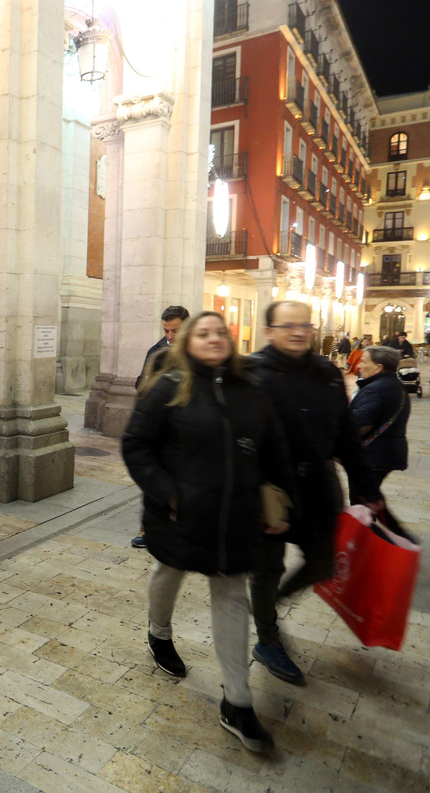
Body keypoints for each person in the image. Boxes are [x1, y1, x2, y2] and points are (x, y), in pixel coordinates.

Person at [122, 312, 291, 753]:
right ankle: (159, 633)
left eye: (220, 332)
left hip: (235, 516)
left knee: (232, 595)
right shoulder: (170, 386)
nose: (214, 337)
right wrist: (168, 494)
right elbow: (136, 445)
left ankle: (238, 701)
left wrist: (276, 496)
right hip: (181, 516)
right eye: (204, 332)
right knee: (168, 574)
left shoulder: (249, 389)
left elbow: (272, 447)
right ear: (188, 342)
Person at [247, 301, 383, 686]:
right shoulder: (252, 373)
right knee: (266, 569)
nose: (297, 331)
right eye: (286, 325)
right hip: (271, 491)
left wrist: (367, 488)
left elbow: (346, 435)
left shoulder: (326, 372)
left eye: (304, 325)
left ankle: (268, 608)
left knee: (323, 562)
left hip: (318, 487)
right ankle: (267, 640)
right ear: (269, 330)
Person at [130, 306, 190, 550]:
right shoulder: (157, 351)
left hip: (190, 427)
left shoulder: (197, 349)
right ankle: (148, 530)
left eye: (176, 330)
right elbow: (140, 383)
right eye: (167, 330)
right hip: (164, 427)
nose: (171, 336)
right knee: (155, 481)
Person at [351, 345, 410, 486]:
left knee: (363, 501)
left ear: (378, 368)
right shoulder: (396, 386)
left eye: (364, 362)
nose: (359, 365)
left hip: (373, 454)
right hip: (388, 451)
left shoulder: (374, 389)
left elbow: (361, 423)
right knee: (371, 498)